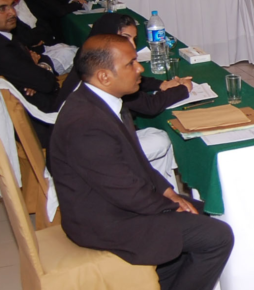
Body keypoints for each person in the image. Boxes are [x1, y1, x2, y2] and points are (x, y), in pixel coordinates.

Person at [48, 34, 233, 290]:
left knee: (201, 215)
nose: (139, 69)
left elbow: (134, 164)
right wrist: (169, 207)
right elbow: (124, 191)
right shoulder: (86, 123)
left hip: (113, 204)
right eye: (131, 64)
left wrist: (168, 192)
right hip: (102, 220)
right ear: (104, 76)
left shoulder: (101, 101)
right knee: (216, 236)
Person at [56, 13, 191, 185]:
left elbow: (136, 81)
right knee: (161, 140)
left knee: (155, 136)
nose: (132, 45)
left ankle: (158, 187)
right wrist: (183, 89)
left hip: (81, 140)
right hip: (90, 151)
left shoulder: (91, 59)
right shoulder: (105, 80)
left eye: (134, 39)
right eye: (125, 38)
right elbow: (150, 106)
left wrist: (161, 84)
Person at [0, 0, 61, 145]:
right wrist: (41, 67)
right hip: (41, 122)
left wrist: (36, 68)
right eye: (2, 8)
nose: (12, 12)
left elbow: (39, 73)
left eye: (12, 5)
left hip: (37, 103)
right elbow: (48, 83)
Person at [0, 0, 77, 75]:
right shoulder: (6, 17)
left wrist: (38, 37)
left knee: (78, 53)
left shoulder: (25, 5)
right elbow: (23, 39)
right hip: (32, 57)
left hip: (43, 47)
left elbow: (45, 27)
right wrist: (35, 38)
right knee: (73, 57)